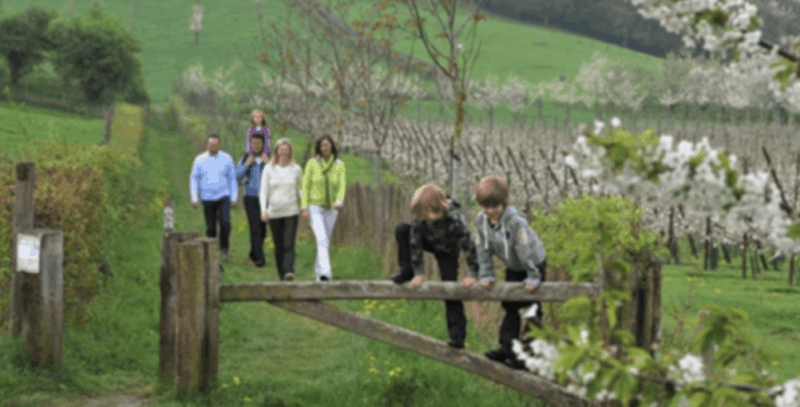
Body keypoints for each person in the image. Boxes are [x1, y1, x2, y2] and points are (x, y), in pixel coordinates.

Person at [461, 176, 546, 369]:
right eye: (485, 206)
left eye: (495, 206)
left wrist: (533, 276)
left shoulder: (515, 222)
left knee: (531, 307)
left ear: (505, 203)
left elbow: (525, 249)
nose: (490, 211)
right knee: (509, 304)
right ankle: (507, 346)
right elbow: (482, 248)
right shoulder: (482, 221)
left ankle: (528, 354)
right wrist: (487, 274)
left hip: (533, 262)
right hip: (513, 265)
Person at [390, 184, 480, 349]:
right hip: (430, 241)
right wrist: (419, 272)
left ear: (439, 208)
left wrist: (473, 273)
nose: (425, 219)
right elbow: (415, 243)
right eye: (422, 216)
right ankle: (406, 270)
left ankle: (457, 335)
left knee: (449, 289)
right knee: (402, 229)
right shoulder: (421, 220)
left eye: (427, 215)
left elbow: (469, 247)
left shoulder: (455, 219)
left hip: (448, 252)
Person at [301, 135, 346, 282]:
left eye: (327, 145)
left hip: (332, 208)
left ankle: (318, 274)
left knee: (325, 241)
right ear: (319, 148)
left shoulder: (339, 165)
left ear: (332, 146)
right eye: (322, 146)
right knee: (321, 238)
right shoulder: (312, 163)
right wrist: (304, 206)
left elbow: (342, 186)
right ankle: (326, 273)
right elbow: (305, 186)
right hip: (315, 206)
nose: (325, 148)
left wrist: (339, 201)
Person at [260, 138, 303, 281]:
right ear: (277, 151)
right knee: (278, 246)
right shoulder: (269, 168)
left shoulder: (296, 169)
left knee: (288, 243)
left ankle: (289, 272)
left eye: (286, 149)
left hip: (291, 211)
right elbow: (263, 191)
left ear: (290, 151)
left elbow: (301, 189)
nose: (284, 151)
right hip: (274, 213)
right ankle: (282, 276)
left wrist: (304, 207)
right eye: (281, 149)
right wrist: (263, 210)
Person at [190, 134, 238, 261]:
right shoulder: (199, 159)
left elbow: (232, 179)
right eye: (211, 144)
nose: (213, 146)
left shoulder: (227, 158)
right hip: (207, 197)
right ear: (207, 145)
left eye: (216, 144)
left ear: (219, 145)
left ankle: (224, 250)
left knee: (225, 223)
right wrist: (194, 198)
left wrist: (234, 197)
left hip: (223, 196)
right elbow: (194, 178)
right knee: (210, 227)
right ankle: (211, 253)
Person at [235, 133, 270, 268]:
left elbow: (276, 175)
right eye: (253, 143)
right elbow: (236, 176)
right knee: (255, 227)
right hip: (250, 197)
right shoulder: (245, 157)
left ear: (263, 144)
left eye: (258, 143)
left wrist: (268, 163)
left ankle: (253, 254)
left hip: (265, 199)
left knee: (262, 229)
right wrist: (246, 165)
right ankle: (260, 259)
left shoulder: (269, 158)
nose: (256, 146)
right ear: (251, 144)